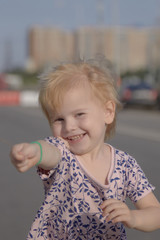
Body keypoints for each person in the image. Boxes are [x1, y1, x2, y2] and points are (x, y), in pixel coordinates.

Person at [10, 57, 160, 239]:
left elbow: (154, 212)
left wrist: (133, 217)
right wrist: (34, 151)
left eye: (79, 114)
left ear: (108, 112)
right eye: (59, 119)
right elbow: (49, 151)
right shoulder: (64, 153)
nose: (69, 127)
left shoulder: (125, 164)